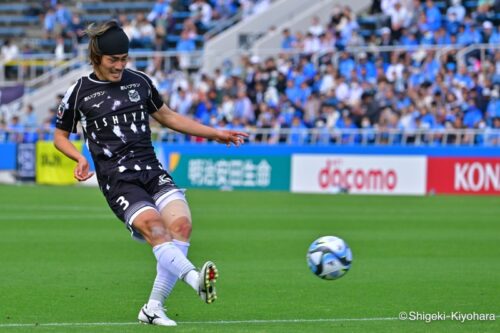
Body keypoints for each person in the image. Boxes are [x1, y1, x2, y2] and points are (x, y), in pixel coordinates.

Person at [53, 21, 247, 326]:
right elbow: (59, 136)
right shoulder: (79, 91)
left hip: (152, 171)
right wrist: (79, 157)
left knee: (181, 226)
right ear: (97, 57)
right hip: (119, 181)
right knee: (156, 230)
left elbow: (167, 116)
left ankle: (153, 308)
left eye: (124, 59)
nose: (119, 66)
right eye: (113, 60)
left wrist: (215, 134)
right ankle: (197, 281)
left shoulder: (140, 82)